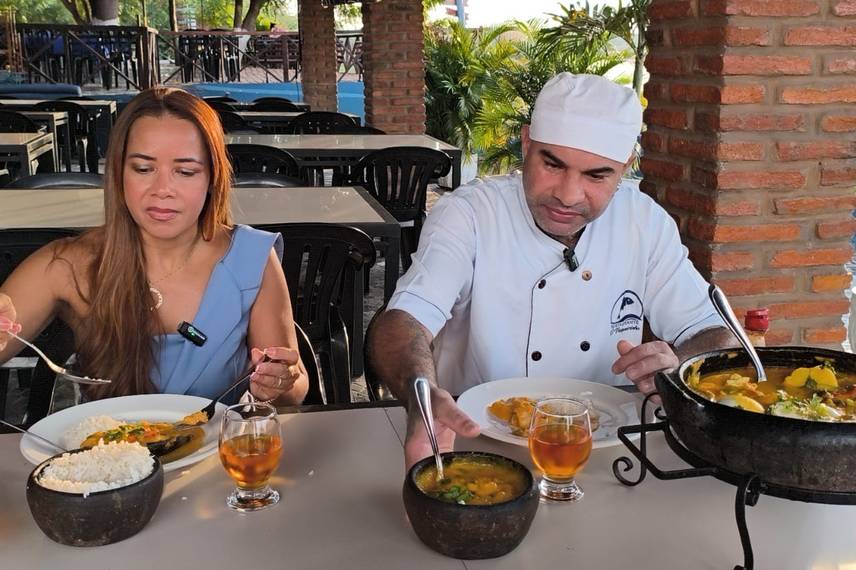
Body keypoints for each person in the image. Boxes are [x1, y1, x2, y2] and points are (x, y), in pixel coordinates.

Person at [367, 73, 734, 468]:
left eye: (597, 175)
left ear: (625, 166)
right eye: (552, 164)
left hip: (612, 453)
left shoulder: (642, 221)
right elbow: (403, 321)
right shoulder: (471, 214)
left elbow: (718, 335)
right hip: (473, 443)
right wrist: (421, 392)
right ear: (527, 143)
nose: (568, 195)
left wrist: (678, 363)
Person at [0, 87, 308, 406]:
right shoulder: (67, 263)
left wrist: (280, 381)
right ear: (119, 174)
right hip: (108, 453)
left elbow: (294, 387)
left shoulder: (252, 257)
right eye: (143, 169)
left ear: (212, 178)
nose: (162, 190)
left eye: (185, 171)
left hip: (219, 452)